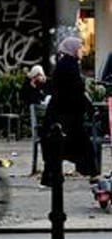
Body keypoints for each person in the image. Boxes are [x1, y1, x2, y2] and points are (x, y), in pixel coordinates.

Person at [40, 35, 98, 187]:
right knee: (82, 145)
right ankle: (93, 174)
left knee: (58, 148)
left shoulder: (65, 64)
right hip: (67, 116)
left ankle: (50, 178)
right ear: (73, 50)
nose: (83, 51)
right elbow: (74, 91)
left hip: (61, 115)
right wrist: (85, 106)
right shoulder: (69, 66)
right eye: (80, 48)